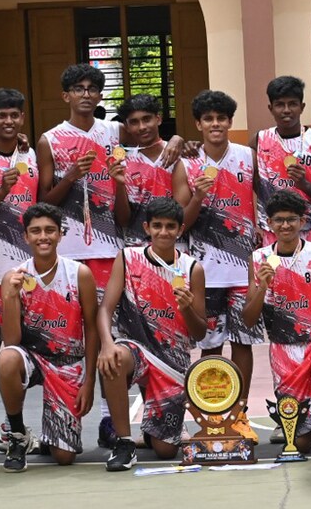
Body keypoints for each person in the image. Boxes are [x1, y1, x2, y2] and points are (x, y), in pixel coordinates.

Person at [36, 65, 182, 447]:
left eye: (92, 89)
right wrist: (70, 176)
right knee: (70, 333)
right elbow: (43, 200)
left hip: (107, 248)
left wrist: (179, 139)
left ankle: (108, 419)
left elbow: (151, 140)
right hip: (66, 254)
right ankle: (61, 418)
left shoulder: (113, 132)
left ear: (100, 96)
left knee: (111, 335)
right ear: (65, 94)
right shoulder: (49, 140)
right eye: (77, 88)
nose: (85, 94)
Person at [172, 90, 260, 444]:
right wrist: (199, 196)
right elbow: (179, 223)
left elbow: (264, 204)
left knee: (243, 343)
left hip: (243, 270)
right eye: (208, 119)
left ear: (230, 122)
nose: (215, 124)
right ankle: (211, 415)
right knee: (210, 347)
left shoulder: (247, 157)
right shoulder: (187, 163)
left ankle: (239, 415)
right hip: (204, 273)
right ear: (198, 124)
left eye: (221, 118)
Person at [96, 199, 207, 470]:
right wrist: (107, 344)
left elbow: (200, 331)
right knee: (115, 360)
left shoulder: (193, 269)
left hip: (172, 360)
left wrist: (187, 309)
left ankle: (152, 429)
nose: (164, 232)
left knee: (166, 450)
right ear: (147, 227)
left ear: (181, 229)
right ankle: (124, 442)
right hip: (135, 348)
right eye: (157, 226)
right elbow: (105, 309)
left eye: (170, 226)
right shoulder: (128, 258)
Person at [241, 190, 311, 459]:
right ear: (269, 224)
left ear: (302, 221)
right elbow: (248, 318)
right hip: (283, 347)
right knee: (300, 442)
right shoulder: (258, 259)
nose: (285, 225)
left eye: (291, 219)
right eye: (279, 220)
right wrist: (263, 286)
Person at [0, 203, 98, 471]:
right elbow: (11, 341)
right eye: (36, 231)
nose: (44, 236)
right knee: (7, 360)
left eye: (50, 230)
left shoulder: (80, 274)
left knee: (64, 457)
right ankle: (17, 435)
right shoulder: (14, 278)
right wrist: (9, 299)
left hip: (67, 363)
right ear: (26, 236)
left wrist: (89, 381)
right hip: (32, 357)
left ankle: (50, 434)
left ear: (60, 234)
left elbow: (92, 328)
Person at [0, 88, 37, 461]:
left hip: (26, 275)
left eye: (14, 114)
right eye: (1, 115)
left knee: (24, 352)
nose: (9, 121)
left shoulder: (30, 155)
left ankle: (13, 426)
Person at [252, 75, 311, 246]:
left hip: (309, 231)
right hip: (271, 232)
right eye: (280, 104)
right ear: (271, 108)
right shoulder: (259, 141)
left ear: (302, 107)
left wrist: (304, 184)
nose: (286, 110)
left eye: (293, 104)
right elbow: (250, 184)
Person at [115, 95, 176, 248]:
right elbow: (123, 220)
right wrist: (120, 185)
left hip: (177, 248)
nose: (142, 127)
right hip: (137, 249)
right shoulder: (123, 163)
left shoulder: (179, 156)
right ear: (126, 127)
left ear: (158, 119)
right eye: (134, 122)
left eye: (147, 119)